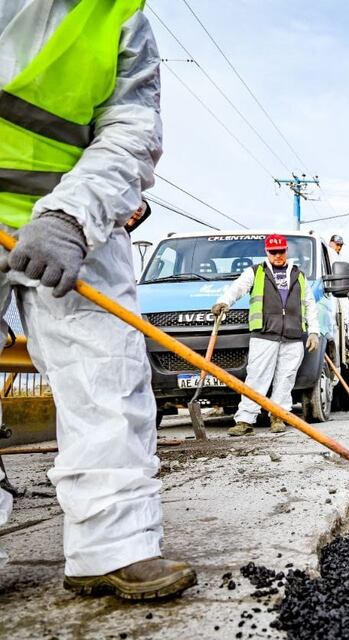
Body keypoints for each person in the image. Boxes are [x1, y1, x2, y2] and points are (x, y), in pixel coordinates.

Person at [0, 0, 196, 599]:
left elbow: (132, 130)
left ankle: (113, 549)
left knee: (107, 375)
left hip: (75, 221)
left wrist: (71, 216)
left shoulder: (119, 16)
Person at [212, 234, 319, 436]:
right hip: (264, 334)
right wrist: (224, 302)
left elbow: (309, 304)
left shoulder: (299, 275)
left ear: (287, 251)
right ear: (266, 252)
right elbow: (237, 288)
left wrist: (313, 332)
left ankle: (278, 416)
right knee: (257, 377)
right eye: (273, 252)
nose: (278, 255)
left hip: (293, 335)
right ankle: (245, 420)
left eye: (281, 251)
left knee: (286, 378)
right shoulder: (255, 272)